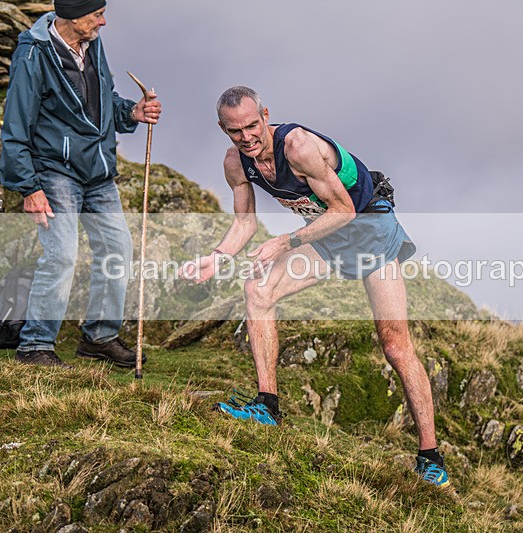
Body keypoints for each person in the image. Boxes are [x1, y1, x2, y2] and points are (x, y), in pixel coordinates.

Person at [181, 86, 450, 487]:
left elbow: (344, 210)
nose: (247, 137)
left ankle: (431, 458)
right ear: (223, 129)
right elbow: (244, 222)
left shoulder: (298, 147)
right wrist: (218, 256)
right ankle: (267, 406)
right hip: (325, 237)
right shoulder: (236, 162)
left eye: (252, 126)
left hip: (370, 231)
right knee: (258, 290)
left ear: (265, 116)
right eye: (235, 131)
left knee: (395, 345)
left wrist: (285, 242)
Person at [0, 0, 162, 368]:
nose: (103, 22)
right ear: (72, 16)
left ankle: (99, 338)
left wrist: (131, 112)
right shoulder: (34, 54)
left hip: (97, 171)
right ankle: (35, 346)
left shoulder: (92, 44)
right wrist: (29, 187)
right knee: (61, 254)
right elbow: (16, 123)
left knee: (118, 249)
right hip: (55, 171)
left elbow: (101, 101)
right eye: (96, 15)